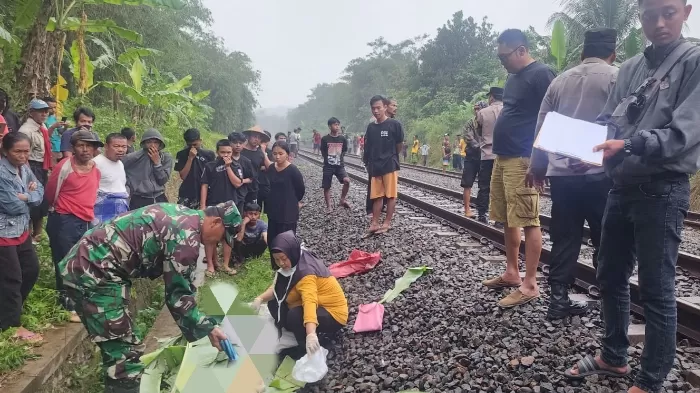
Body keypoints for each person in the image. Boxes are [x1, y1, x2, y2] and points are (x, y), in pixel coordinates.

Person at [564, 2, 700, 392]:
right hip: (621, 188)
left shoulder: (694, 61)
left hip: (663, 188)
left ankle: (652, 379)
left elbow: (683, 135)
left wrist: (625, 144)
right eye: (649, 15)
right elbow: (610, 121)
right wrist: (582, 150)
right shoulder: (631, 69)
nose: (659, 23)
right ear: (639, 16)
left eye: (669, 13)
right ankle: (614, 356)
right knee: (609, 274)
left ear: (686, 11)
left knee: (657, 289)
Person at [59, 201, 240, 393]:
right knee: (125, 360)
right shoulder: (186, 236)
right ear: (216, 222)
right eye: (221, 238)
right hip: (96, 273)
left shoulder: (181, 214)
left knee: (117, 349)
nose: (218, 244)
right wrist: (208, 328)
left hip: (87, 263)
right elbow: (178, 296)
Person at [527, 28, 618, 321]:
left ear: (581, 54)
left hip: (563, 175)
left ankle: (557, 301)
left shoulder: (559, 81)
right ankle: (609, 306)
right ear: (612, 54)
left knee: (565, 237)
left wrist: (537, 166)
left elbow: (543, 126)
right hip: (600, 173)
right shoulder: (617, 78)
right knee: (606, 239)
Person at [481, 29, 555, 308]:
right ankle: (512, 273)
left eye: (505, 57)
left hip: (524, 158)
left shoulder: (542, 74)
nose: (503, 62)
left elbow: (553, 119)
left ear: (521, 50)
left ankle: (530, 284)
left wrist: (541, 161)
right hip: (503, 156)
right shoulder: (512, 79)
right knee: (508, 218)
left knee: (528, 218)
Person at [251, 231, 348, 361]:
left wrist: (311, 334)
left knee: (295, 316)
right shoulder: (294, 260)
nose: (281, 263)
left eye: (283, 258)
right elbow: (278, 287)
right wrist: (260, 299)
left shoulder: (305, 273)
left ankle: (305, 349)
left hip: (332, 312)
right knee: (273, 303)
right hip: (310, 303)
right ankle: (295, 331)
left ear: (291, 252)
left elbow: (310, 302)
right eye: (277, 259)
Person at [46, 130, 102, 322]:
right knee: (64, 261)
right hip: (64, 219)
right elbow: (50, 192)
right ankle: (67, 304)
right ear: (73, 147)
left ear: (95, 149)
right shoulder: (64, 167)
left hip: (85, 220)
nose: (85, 149)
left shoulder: (95, 168)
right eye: (80, 145)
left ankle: (81, 301)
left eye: (89, 145)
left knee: (81, 261)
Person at [0, 132, 44, 342]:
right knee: (12, 277)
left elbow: (40, 192)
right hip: (4, 232)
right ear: (6, 151)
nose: (23, 156)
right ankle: (11, 324)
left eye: (26, 151)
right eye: (18, 151)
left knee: (31, 269)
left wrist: (27, 195)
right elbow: (11, 205)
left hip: (21, 230)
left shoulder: (25, 168)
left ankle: (11, 308)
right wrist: (30, 197)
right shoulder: (1, 173)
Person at [201, 138, 252, 276]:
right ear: (217, 152)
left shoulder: (236, 166)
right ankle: (212, 265)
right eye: (223, 152)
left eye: (228, 152)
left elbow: (237, 184)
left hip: (230, 206)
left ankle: (225, 264)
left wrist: (228, 167)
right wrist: (203, 205)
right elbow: (204, 185)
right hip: (213, 206)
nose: (226, 155)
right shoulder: (210, 166)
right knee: (210, 236)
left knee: (228, 236)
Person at [363, 95, 404, 235]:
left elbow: (399, 145)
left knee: (391, 195)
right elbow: (368, 146)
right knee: (376, 196)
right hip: (376, 166)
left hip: (389, 164)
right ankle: (374, 222)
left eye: (378, 108)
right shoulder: (371, 127)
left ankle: (386, 223)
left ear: (385, 107)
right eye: (373, 108)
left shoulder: (395, 125)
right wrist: (367, 162)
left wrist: (392, 156)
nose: (376, 111)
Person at [266, 142, 305, 270]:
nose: (277, 157)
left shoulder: (293, 170)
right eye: (275, 154)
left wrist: (293, 201)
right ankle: (276, 267)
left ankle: (290, 266)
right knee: (272, 239)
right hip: (273, 211)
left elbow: (300, 190)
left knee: (287, 241)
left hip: (288, 212)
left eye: (281, 154)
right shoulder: (271, 168)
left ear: (287, 155)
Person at [18, 99, 53, 242]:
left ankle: (37, 236)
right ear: (31, 112)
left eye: (46, 111)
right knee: (32, 199)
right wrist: (27, 174)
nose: (44, 114)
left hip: (42, 167)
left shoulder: (42, 126)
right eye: (40, 111)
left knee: (42, 201)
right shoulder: (26, 130)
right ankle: (28, 235)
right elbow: (23, 155)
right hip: (32, 166)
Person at [122, 128, 173, 210]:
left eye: (155, 142)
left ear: (160, 144)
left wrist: (157, 163)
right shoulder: (134, 157)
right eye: (149, 142)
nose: (152, 145)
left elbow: (162, 180)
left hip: (159, 198)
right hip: (139, 199)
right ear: (144, 143)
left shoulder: (166, 158)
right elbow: (119, 166)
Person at [475, 88, 504, 223]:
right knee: (502, 186)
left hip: (487, 154)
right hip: (504, 155)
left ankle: (482, 214)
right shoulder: (508, 110)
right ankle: (500, 218)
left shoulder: (482, 113)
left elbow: (479, 132)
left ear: (491, 97)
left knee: (484, 185)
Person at [93, 133, 129, 226]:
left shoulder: (120, 164)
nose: (121, 150)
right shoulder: (96, 163)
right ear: (106, 146)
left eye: (124, 147)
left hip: (120, 210)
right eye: (116, 146)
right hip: (102, 210)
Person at [174, 128, 215, 209]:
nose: (192, 147)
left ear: (200, 140)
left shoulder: (209, 155)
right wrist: (190, 158)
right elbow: (183, 176)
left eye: (195, 145)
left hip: (205, 193)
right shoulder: (181, 154)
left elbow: (212, 175)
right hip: (187, 193)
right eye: (190, 145)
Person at [462, 102, 488, 218]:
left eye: (479, 109)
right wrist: (480, 146)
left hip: (485, 157)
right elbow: (468, 137)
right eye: (475, 109)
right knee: (467, 183)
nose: (477, 111)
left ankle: (483, 211)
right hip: (472, 156)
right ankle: (467, 209)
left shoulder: (488, 121)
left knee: (485, 185)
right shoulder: (470, 122)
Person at [321, 117, 350, 212]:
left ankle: (342, 200)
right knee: (327, 186)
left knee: (347, 181)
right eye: (335, 125)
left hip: (339, 166)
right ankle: (329, 206)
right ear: (330, 126)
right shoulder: (325, 139)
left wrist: (339, 159)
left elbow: (344, 150)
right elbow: (323, 151)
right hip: (328, 166)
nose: (337, 126)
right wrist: (329, 159)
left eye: (338, 124)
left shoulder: (342, 138)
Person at [241, 125, 272, 208]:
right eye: (254, 136)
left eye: (259, 137)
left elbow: (270, 168)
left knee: (252, 212)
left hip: (253, 188)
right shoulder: (240, 151)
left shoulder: (260, 153)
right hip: (240, 186)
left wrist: (263, 152)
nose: (256, 139)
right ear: (248, 136)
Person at [233, 202, 268, 267]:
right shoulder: (240, 223)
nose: (253, 217)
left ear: (259, 215)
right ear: (245, 214)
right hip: (243, 248)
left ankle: (255, 257)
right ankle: (239, 259)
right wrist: (243, 224)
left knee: (263, 240)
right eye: (250, 214)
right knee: (236, 241)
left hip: (255, 247)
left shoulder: (262, 224)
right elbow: (239, 239)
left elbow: (266, 237)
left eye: (255, 214)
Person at [44, 96, 67, 165]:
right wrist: (53, 126)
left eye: (54, 107)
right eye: (51, 108)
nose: (53, 110)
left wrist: (65, 127)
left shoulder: (53, 117)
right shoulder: (42, 119)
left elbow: (60, 132)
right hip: (50, 149)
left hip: (58, 148)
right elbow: (44, 136)